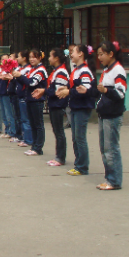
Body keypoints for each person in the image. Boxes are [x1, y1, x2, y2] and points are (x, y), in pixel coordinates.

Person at [56, 43, 97, 177]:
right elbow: (73, 85)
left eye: (73, 52)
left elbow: (83, 90)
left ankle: (82, 166)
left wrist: (69, 91)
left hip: (82, 108)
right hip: (75, 106)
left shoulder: (85, 71)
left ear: (81, 54)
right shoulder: (76, 70)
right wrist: (65, 88)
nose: (70, 54)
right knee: (75, 137)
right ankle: (78, 164)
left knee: (80, 138)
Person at [96, 41, 127, 190]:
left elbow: (120, 93)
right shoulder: (106, 70)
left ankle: (114, 181)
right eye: (98, 55)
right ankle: (109, 178)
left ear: (111, 54)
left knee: (111, 148)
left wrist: (106, 91)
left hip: (112, 116)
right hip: (104, 114)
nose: (99, 57)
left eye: (102, 54)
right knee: (104, 149)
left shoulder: (118, 70)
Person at [34, 48, 70, 166]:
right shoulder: (56, 71)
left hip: (58, 105)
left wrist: (44, 91)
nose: (48, 58)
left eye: (50, 56)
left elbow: (57, 91)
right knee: (57, 131)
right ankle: (58, 156)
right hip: (54, 104)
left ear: (56, 58)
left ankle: (60, 157)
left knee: (59, 132)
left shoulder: (61, 72)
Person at [13, 49, 48, 156]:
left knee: (38, 124)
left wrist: (20, 76)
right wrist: (18, 77)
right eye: (31, 57)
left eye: (34, 57)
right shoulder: (33, 69)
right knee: (33, 124)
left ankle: (38, 148)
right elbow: (26, 82)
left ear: (39, 58)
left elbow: (32, 83)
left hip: (37, 100)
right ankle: (34, 145)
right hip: (30, 99)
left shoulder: (41, 70)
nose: (32, 59)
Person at [12, 50, 33, 148]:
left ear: (24, 58)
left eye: (19, 56)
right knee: (21, 117)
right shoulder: (20, 68)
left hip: (24, 95)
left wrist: (19, 76)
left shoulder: (28, 69)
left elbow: (27, 82)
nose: (17, 59)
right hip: (19, 95)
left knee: (25, 119)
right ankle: (23, 137)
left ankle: (28, 139)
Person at [0, 54, 17, 140]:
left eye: (8, 58)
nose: (4, 60)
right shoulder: (3, 69)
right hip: (1, 92)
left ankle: (12, 131)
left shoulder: (12, 69)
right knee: (4, 113)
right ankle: (7, 130)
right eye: (2, 59)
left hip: (7, 93)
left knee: (9, 113)